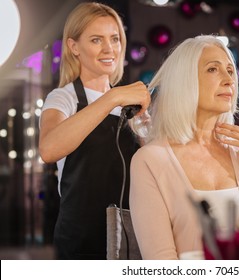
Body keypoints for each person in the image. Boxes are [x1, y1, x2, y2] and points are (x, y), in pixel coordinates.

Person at [129, 35, 239, 260]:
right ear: (184, 81)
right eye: (213, 69)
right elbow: (160, 261)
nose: (229, 79)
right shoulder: (149, 160)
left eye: (230, 70)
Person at [38, 2, 150, 259]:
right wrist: (112, 98)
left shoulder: (131, 105)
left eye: (115, 39)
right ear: (74, 46)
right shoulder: (62, 98)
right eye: (96, 40)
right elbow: (48, 149)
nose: (109, 48)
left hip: (129, 237)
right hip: (80, 238)